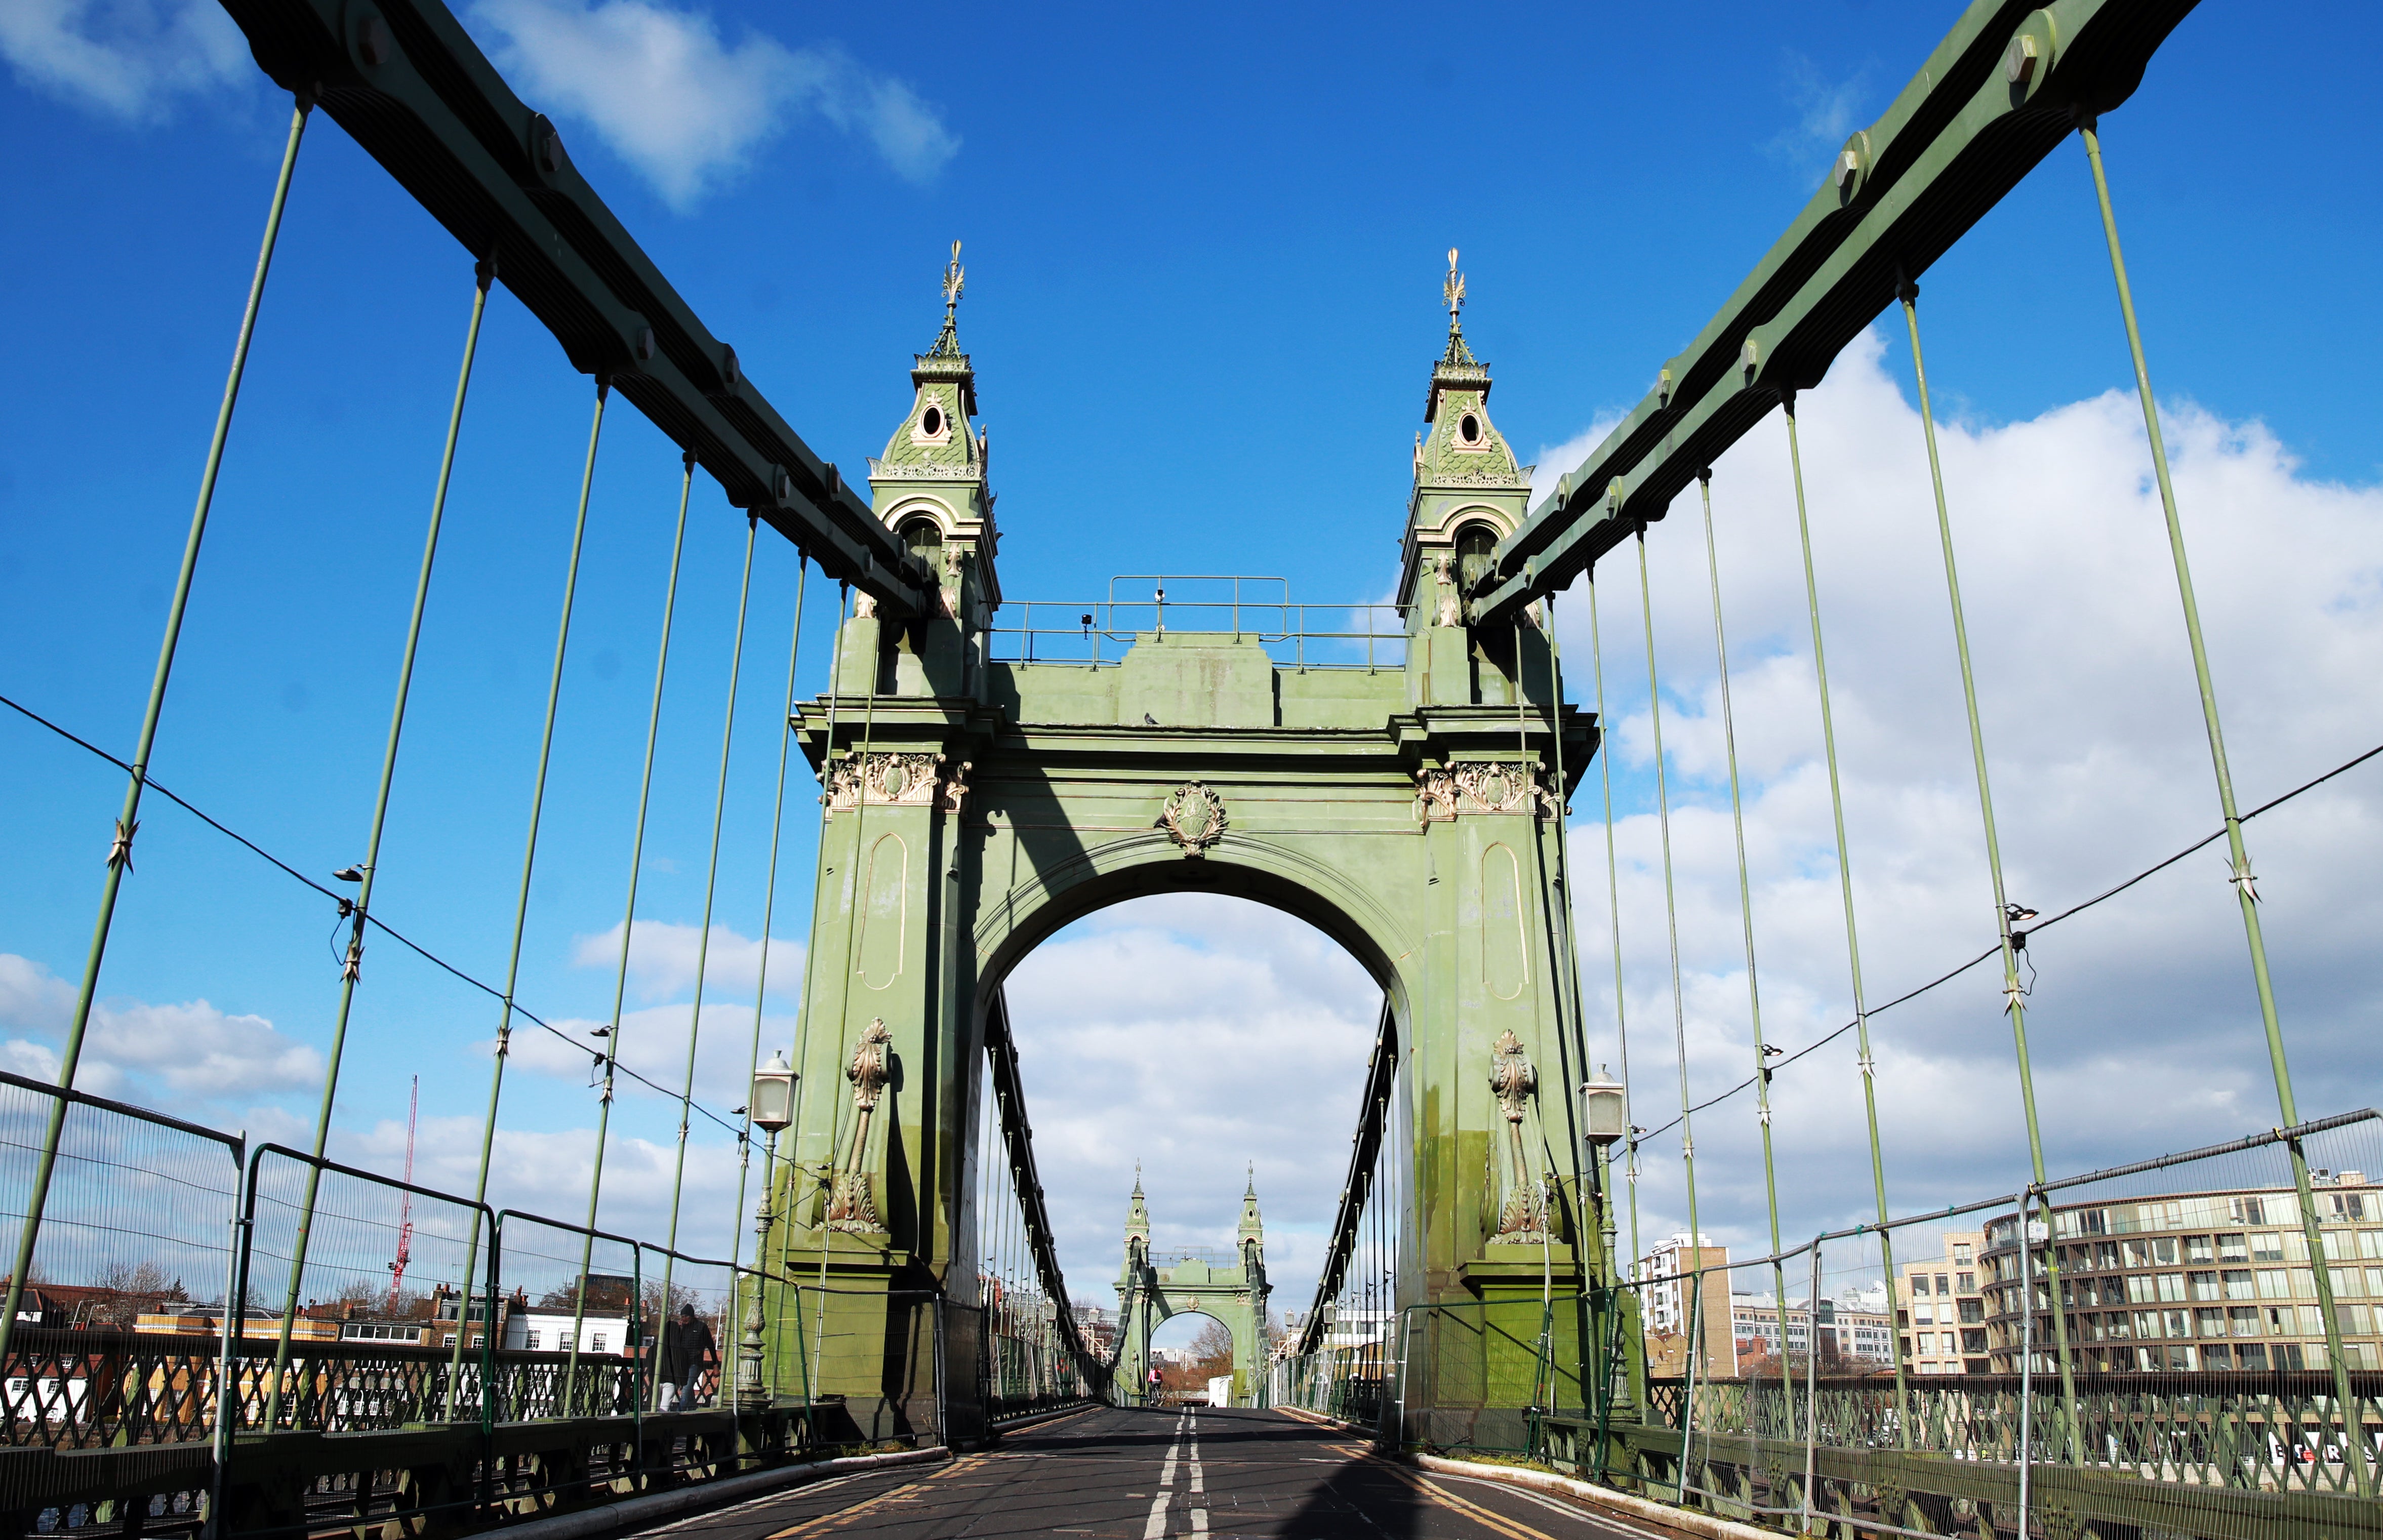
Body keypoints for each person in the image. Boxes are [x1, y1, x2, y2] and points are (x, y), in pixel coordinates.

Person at [659, 1304, 715, 1409]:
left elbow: (711, 1346)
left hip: (695, 1363)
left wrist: (715, 1365)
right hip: (683, 1364)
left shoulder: (701, 1327)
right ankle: (693, 1409)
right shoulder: (682, 1328)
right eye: (682, 1316)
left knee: (686, 1388)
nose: (684, 1319)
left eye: (686, 1316)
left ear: (692, 1316)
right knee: (688, 1390)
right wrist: (678, 1330)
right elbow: (674, 1343)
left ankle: (680, 1412)